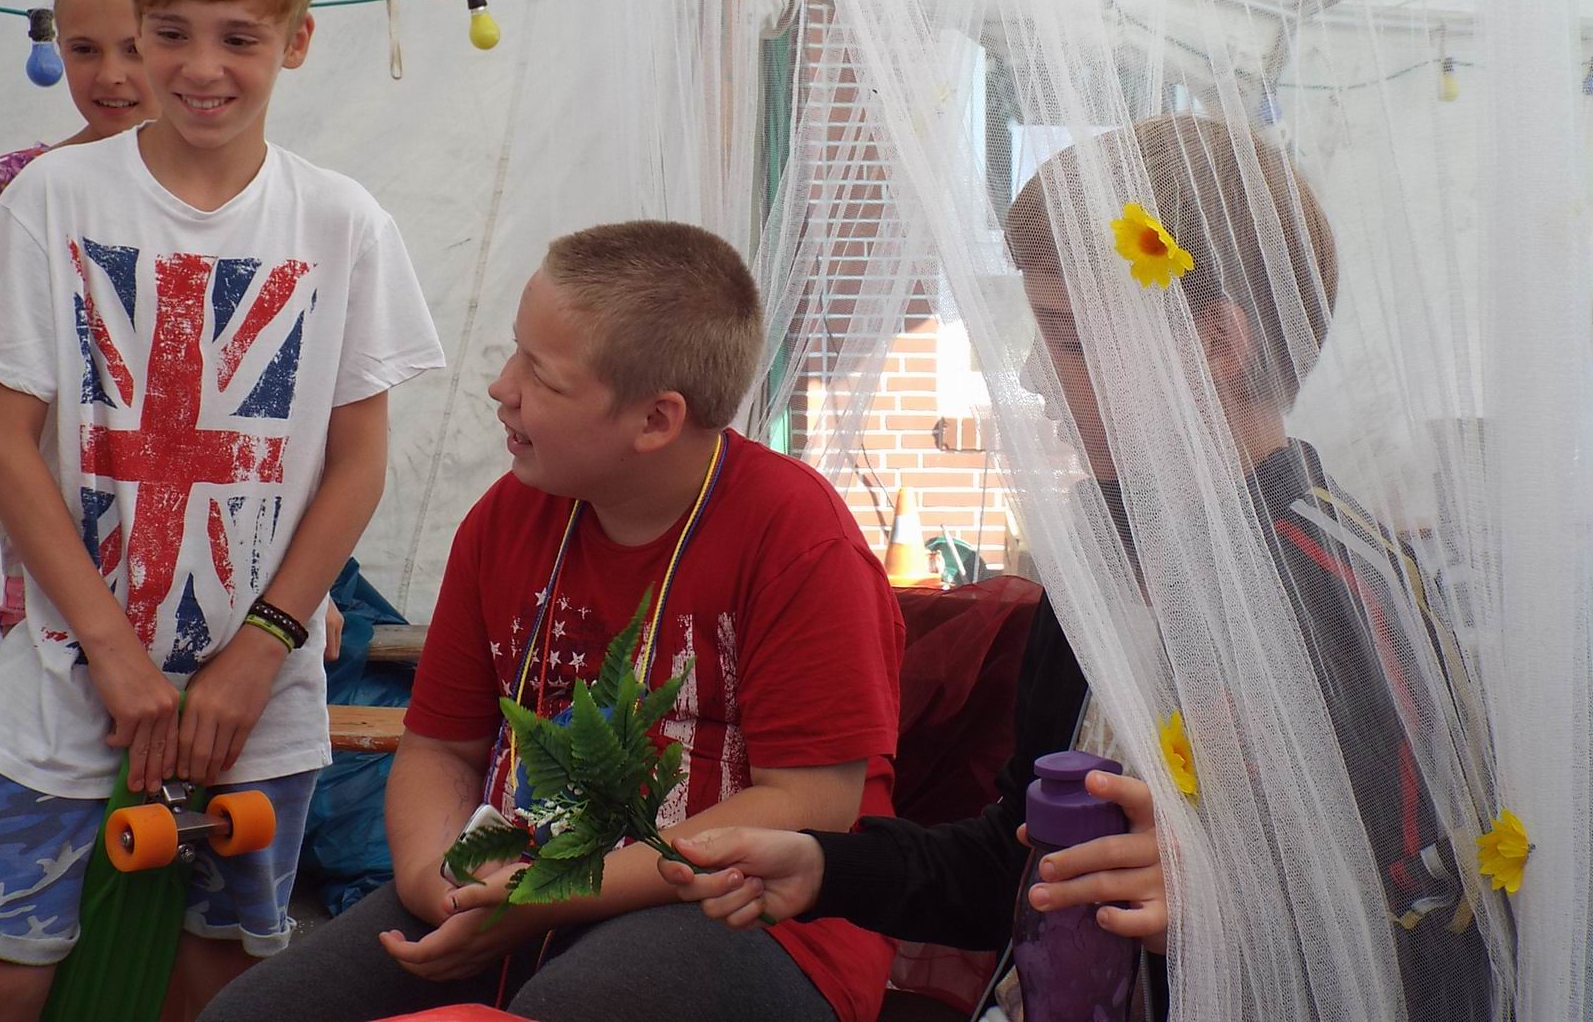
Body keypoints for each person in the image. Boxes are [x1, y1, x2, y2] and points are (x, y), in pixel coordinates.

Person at [658, 115, 1491, 1021]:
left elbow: (1450, 930)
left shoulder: (1344, 592)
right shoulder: (1105, 562)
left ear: (1218, 344)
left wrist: (1238, 921)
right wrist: (826, 866)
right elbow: (1019, 862)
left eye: (1070, 340)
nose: (1030, 375)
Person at [200, 220, 906, 1022]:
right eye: (515, 352)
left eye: (540, 375)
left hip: (748, 913)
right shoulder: (506, 518)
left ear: (655, 421)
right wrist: (437, 880)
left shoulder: (797, 539)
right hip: (519, 880)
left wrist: (546, 895)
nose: (501, 387)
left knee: (564, 1007)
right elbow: (440, 747)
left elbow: (810, 805)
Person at [0, 0, 444, 1022]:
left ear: (297, 41)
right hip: (65, 671)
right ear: (139, 30)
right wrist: (110, 651)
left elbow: (357, 463)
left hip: (259, 690)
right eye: (171, 33)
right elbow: (0, 434)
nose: (201, 67)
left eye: (239, 37)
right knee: (6, 966)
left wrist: (259, 651)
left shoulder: (342, 223)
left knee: (225, 970)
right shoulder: (50, 199)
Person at [0, 0, 160, 638]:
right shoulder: (15, 187)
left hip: (198, 506)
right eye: (85, 49)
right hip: (49, 502)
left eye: (134, 48)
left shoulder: (236, 198)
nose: (111, 75)